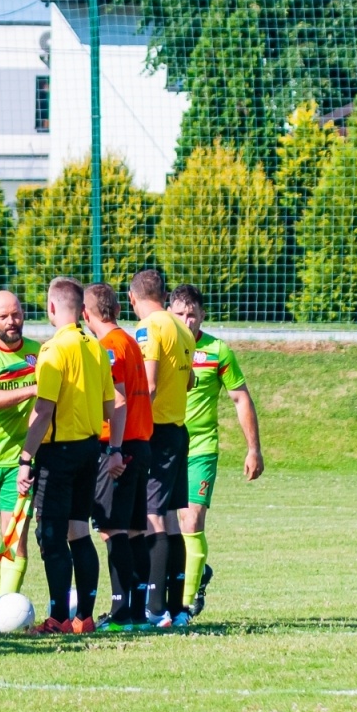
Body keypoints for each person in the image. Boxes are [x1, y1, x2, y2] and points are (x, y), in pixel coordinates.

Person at [16, 278, 123, 635]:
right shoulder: (96, 347)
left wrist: (26, 457)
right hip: (89, 448)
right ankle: (85, 617)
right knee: (79, 531)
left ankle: (59, 617)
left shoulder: (53, 350)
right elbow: (111, 406)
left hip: (58, 453)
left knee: (50, 534)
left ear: (51, 308)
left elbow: (44, 410)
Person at [169, 283, 264, 617]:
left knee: (191, 520)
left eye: (192, 314)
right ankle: (189, 578)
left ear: (202, 315)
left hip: (200, 449)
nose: (186, 321)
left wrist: (253, 449)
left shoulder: (217, 351)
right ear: (169, 314)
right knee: (166, 526)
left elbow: (240, 399)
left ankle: (186, 604)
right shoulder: (159, 347)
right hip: (165, 447)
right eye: (179, 314)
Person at [82, 283, 153, 631]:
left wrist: (114, 450)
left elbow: (119, 400)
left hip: (120, 446)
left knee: (112, 529)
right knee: (135, 530)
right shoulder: (128, 341)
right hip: (141, 443)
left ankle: (121, 611)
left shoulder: (108, 347)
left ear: (86, 314)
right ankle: (138, 611)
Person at [129, 269, 196, 628]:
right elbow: (188, 381)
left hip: (154, 432)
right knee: (170, 518)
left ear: (132, 297)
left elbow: (149, 384)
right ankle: (177, 608)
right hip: (177, 430)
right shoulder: (184, 329)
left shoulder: (150, 328)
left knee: (153, 515)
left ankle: (154, 609)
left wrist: (131, 427)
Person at [0, 290, 40, 600]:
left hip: (20, 462)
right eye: (3, 316)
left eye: (16, 314)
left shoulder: (38, 352)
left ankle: (5, 609)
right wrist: (32, 388)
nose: (12, 321)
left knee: (15, 539)